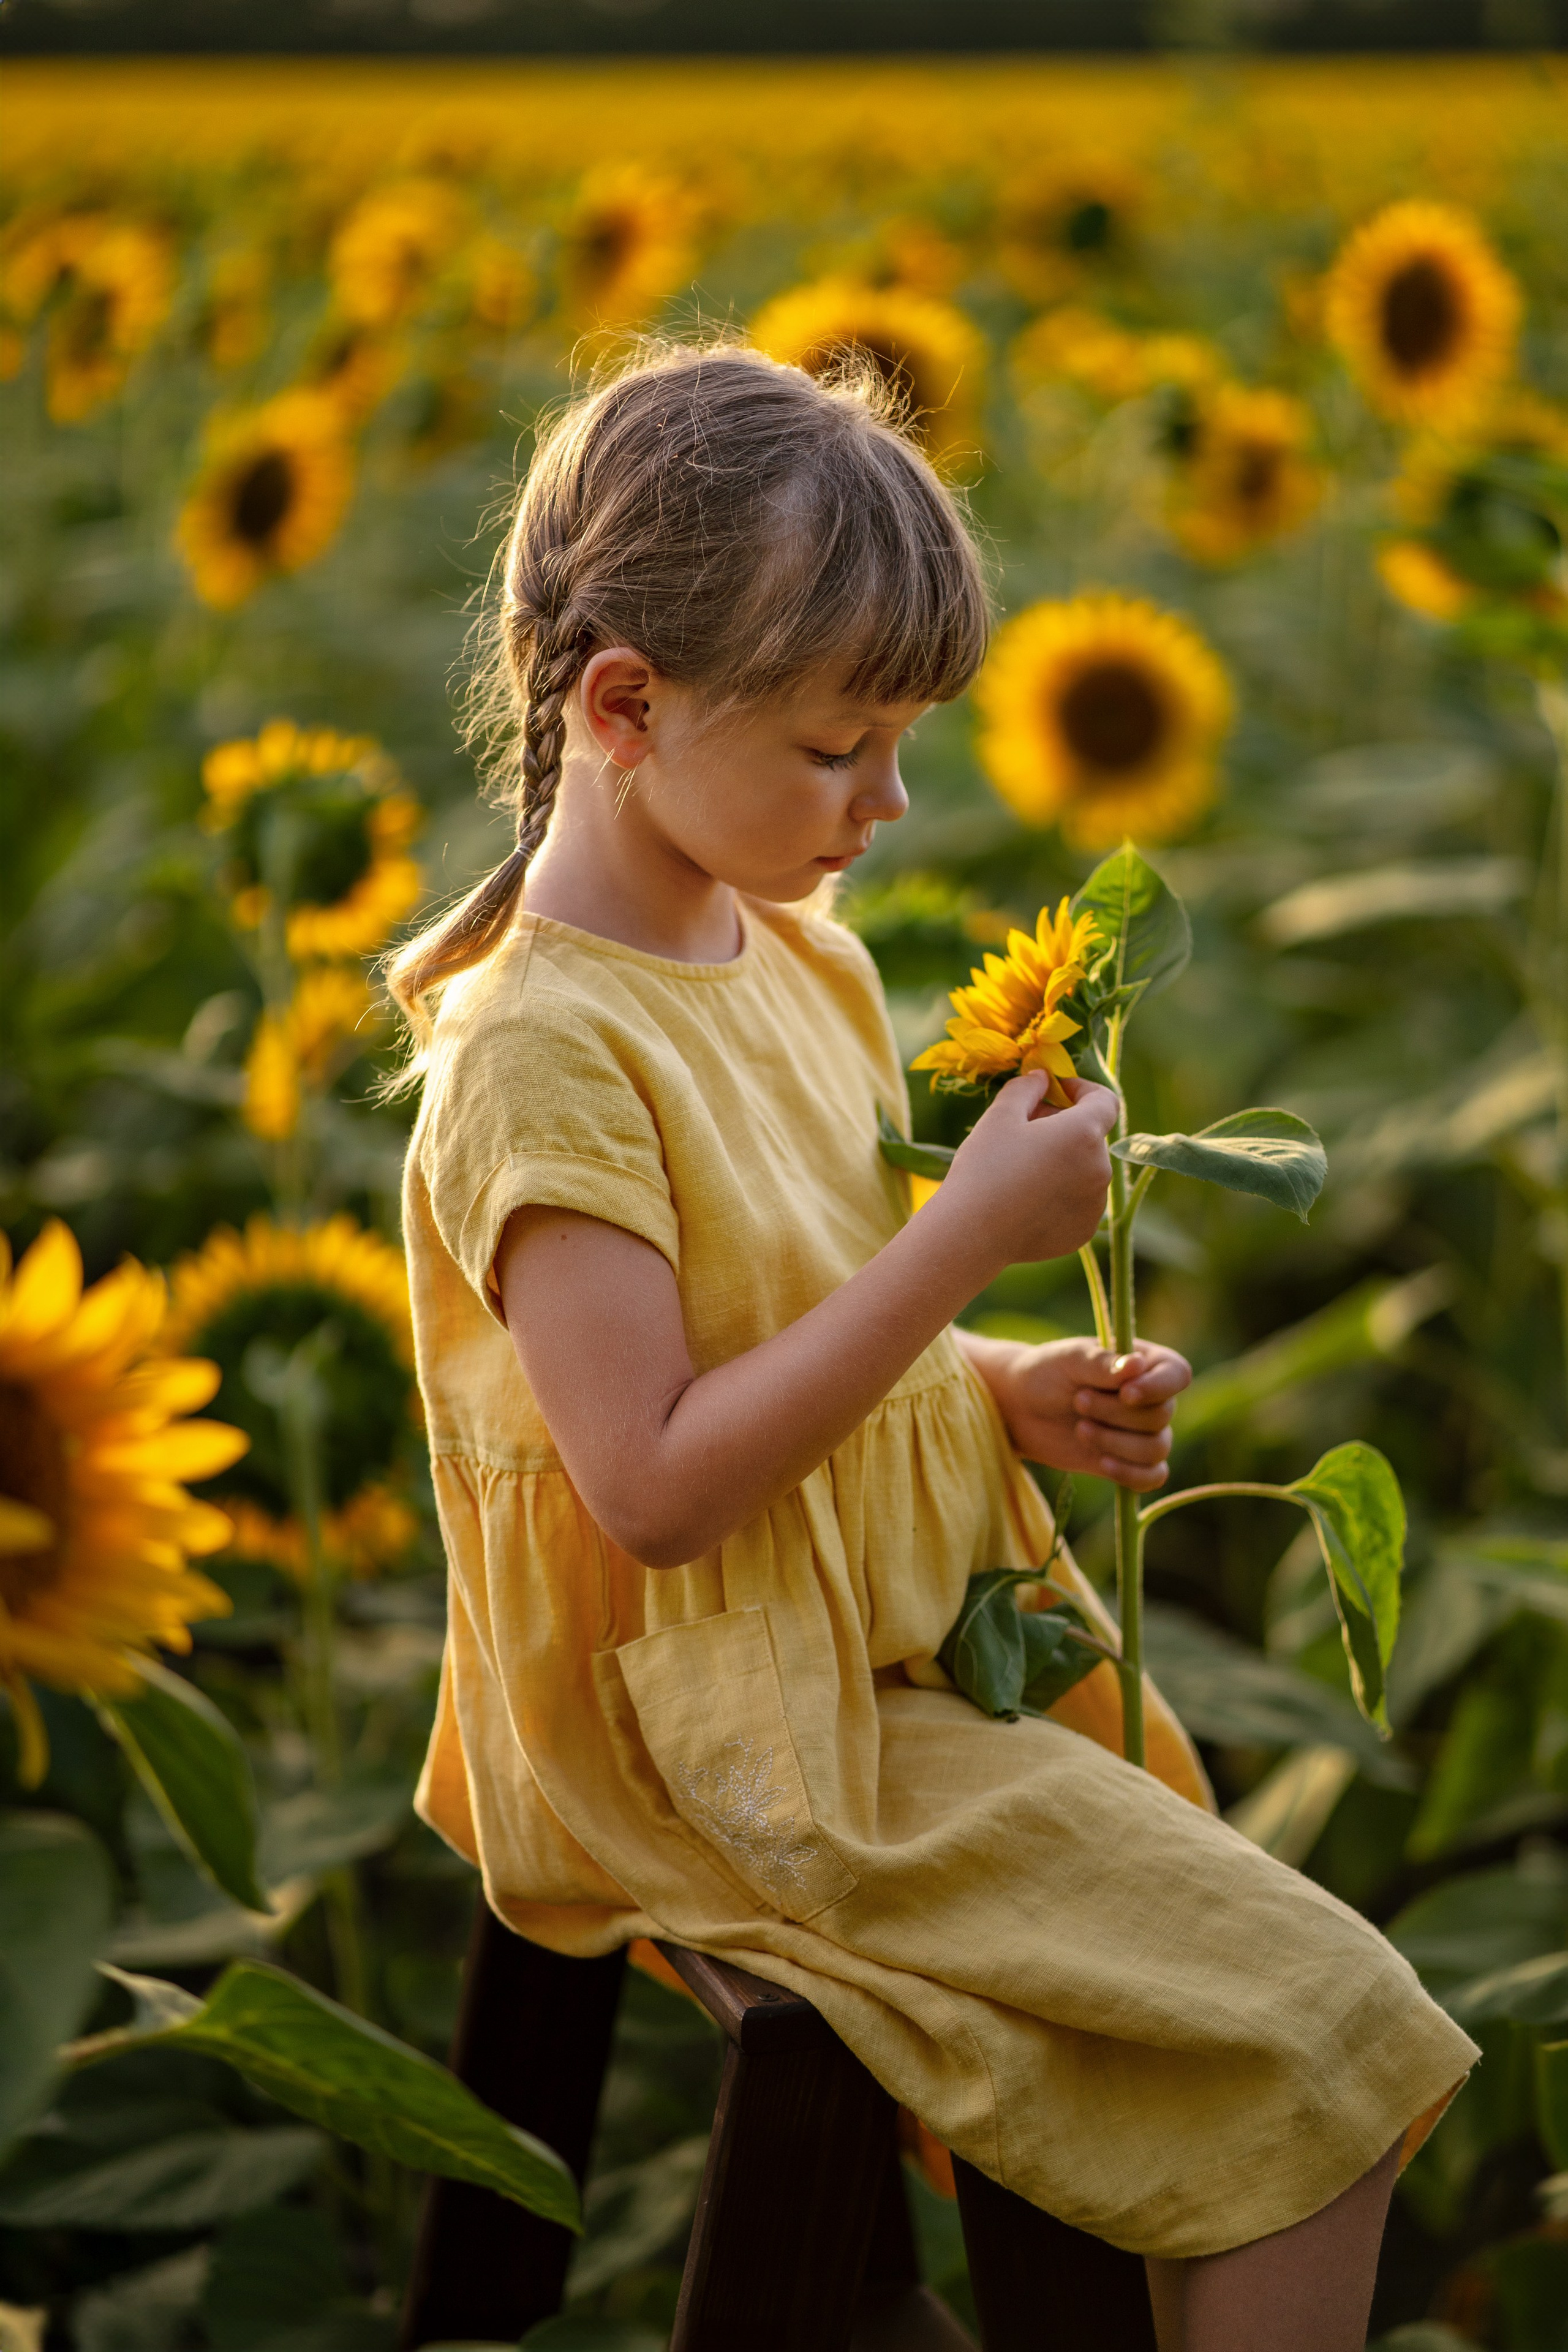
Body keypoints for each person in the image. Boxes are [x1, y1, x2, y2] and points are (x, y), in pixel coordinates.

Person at [389, 342, 1476, 2352]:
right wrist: (962, 1252)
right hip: (727, 1742)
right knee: (1339, 2047)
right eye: (838, 746)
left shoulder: (793, 946)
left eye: (901, 739)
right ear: (624, 702)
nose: (887, 801)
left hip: (878, 1660)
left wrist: (997, 1387)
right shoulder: (543, 1060)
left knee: (1271, 2036)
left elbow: (786, 1328)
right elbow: (650, 1484)